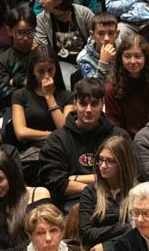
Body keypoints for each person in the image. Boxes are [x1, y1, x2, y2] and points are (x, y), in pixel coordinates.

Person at [40, 78, 130, 210]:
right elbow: (56, 183)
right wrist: (97, 189)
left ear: (102, 104)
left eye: (94, 104)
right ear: (75, 104)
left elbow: (129, 174)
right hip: (74, 203)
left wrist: (76, 178)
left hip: (117, 199)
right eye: (83, 103)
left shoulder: (118, 136)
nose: (88, 110)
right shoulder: (57, 139)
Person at [78, 136, 140, 251]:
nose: (103, 166)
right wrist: (123, 227)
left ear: (123, 163)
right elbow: (87, 233)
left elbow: (140, 232)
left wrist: (108, 246)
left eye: (110, 161)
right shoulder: (90, 192)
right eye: (100, 160)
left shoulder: (137, 192)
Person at [10, 45, 72, 169]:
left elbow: (65, 129)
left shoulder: (68, 96)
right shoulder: (20, 95)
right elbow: (21, 132)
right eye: (41, 71)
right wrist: (51, 134)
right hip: (29, 154)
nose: (46, 76)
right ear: (32, 71)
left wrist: (49, 96)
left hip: (59, 152)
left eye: (50, 70)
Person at [104, 34, 149, 137]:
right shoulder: (111, 89)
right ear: (121, 58)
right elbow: (114, 127)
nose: (132, 61)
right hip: (125, 141)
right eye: (127, 56)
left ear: (145, 58)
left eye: (137, 56)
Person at [34, 0, 95, 66]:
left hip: (86, 64)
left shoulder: (85, 14)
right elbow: (44, 50)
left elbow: (95, 43)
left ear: (59, 0)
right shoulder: (41, 19)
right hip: (57, 66)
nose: (40, 1)